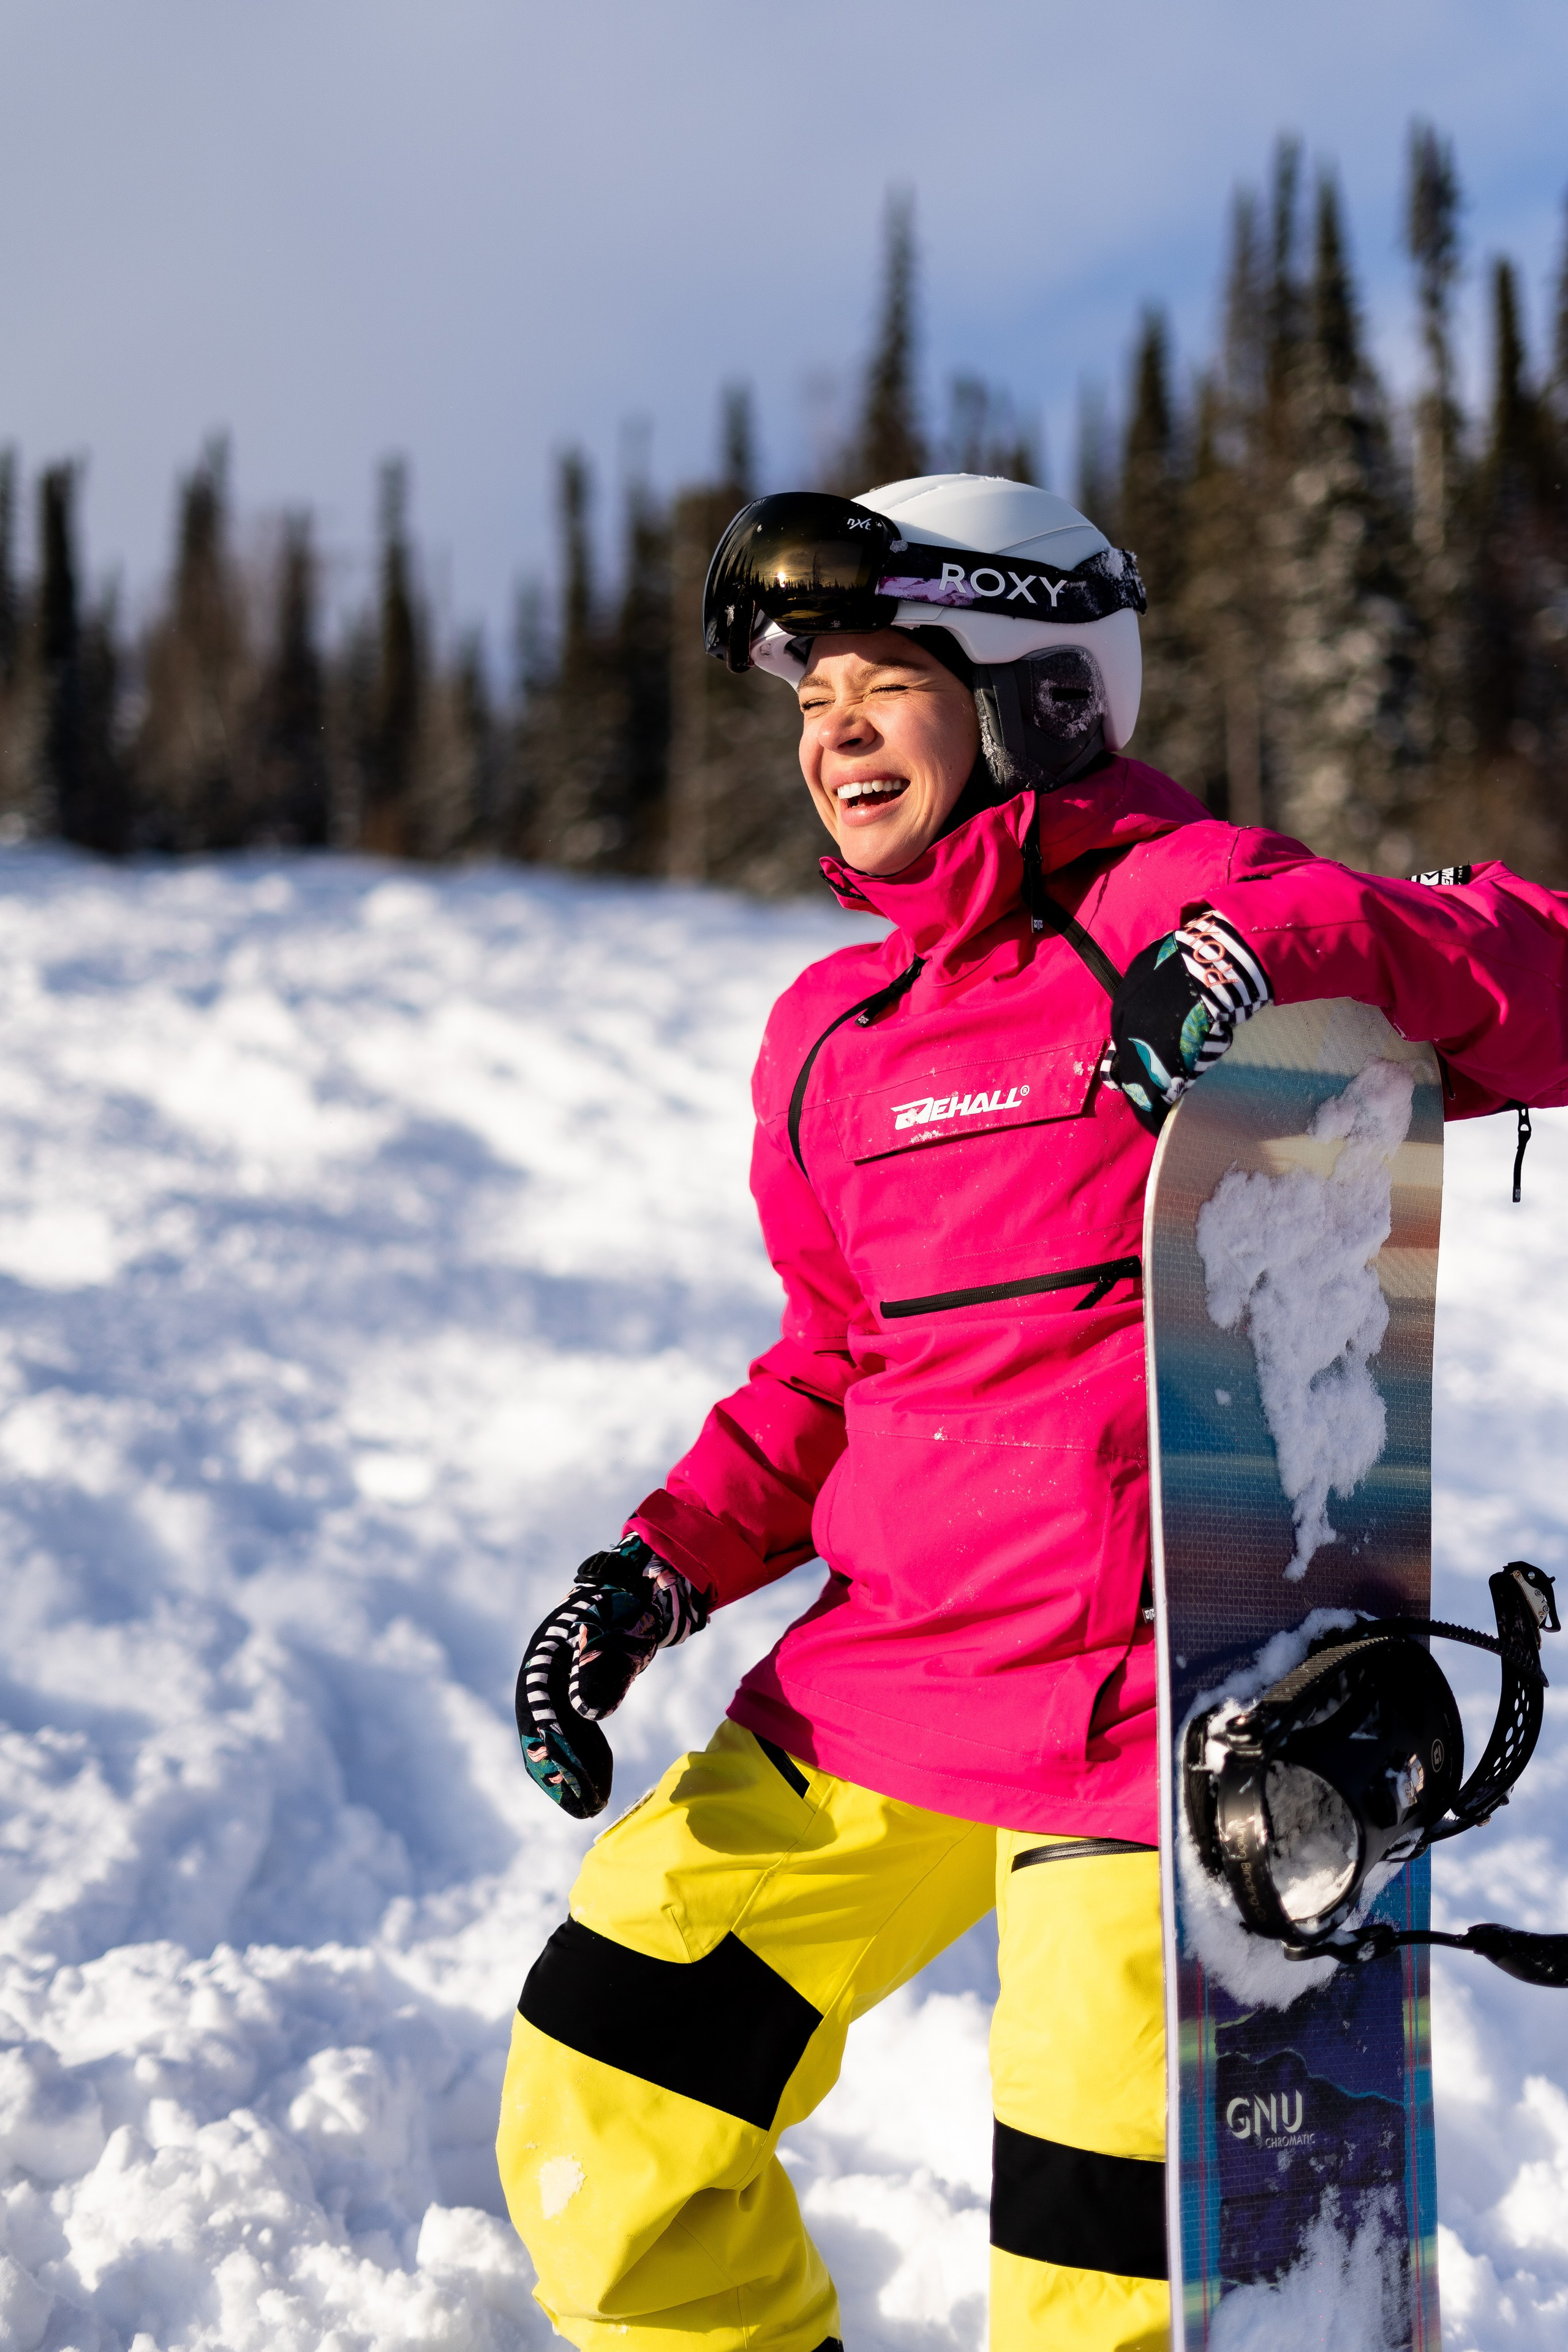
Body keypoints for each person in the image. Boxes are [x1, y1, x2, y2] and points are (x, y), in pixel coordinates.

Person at [496, 474, 1568, 2352]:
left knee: (1102, 2282)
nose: (831, 730)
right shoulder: (836, 1035)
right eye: (809, 694)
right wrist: (651, 1576)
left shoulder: (1198, 905)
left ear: (1034, 689)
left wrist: (1304, 951)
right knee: (611, 2086)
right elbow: (832, 1368)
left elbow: (1539, 978)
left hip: (1153, 1731)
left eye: (882, 679)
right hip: (884, 1686)